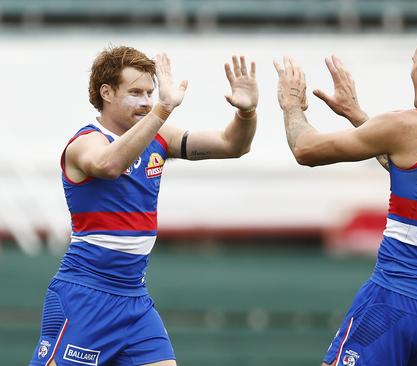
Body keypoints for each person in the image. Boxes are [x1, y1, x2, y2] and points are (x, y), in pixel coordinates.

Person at [274, 23, 417, 366]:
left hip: (393, 300)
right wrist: (357, 115)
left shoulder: (408, 125)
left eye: (412, 62)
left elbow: (306, 149)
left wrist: (292, 105)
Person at [30, 47, 258, 365]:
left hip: (134, 300)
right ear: (106, 93)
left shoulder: (159, 135)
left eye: (150, 93)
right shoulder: (86, 142)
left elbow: (233, 145)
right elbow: (109, 164)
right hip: (85, 295)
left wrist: (246, 113)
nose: (146, 101)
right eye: (136, 92)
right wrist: (162, 109)